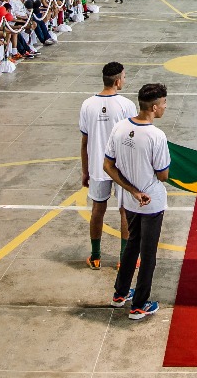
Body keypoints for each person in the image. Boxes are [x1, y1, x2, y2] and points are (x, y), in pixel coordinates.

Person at [105, 82, 171, 320]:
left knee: (132, 245)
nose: (165, 107)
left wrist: (131, 190)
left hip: (131, 201)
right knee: (148, 254)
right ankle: (140, 304)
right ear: (154, 107)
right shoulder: (156, 136)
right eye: (164, 103)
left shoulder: (120, 128)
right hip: (151, 203)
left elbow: (108, 165)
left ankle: (120, 293)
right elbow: (163, 174)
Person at [80, 62, 138, 271]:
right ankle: (124, 259)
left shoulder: (87, 104)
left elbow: (85, 141)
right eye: (124, 77)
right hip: (121, 167)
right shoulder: (127, 105)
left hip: (97, 166)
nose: (125, 80)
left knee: (98, 209)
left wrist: (85, 170)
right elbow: (133, 137)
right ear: (117, 81)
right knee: (125, 212)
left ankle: (95, 257)